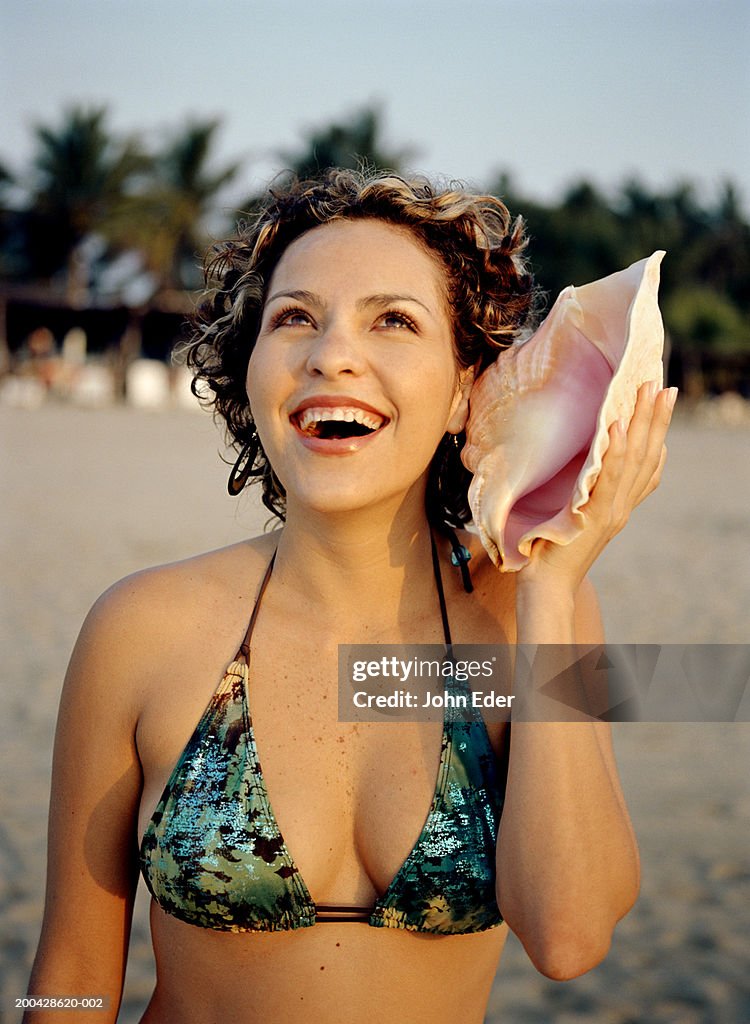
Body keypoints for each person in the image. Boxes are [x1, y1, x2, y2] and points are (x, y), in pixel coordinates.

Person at [25, 169, 675, 1024]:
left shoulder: (536, 620)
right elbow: (72, 968)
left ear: (459, 391)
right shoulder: (140, 629)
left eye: (393, 320)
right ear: (249, 369)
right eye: (294, 316)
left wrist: (553, 587)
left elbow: (570, 937)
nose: (332, 353)